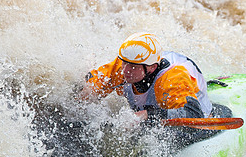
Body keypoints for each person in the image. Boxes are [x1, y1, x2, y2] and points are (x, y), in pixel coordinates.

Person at [80, 32, 215, 124]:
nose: (125, 71)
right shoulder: (123, 65)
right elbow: (89, 87)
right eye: (125, 63)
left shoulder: (173, 78)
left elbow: (193, 115)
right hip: (156, 105)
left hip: (200, 115)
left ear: (152, 67)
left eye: (133, 66)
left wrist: (148, 115)